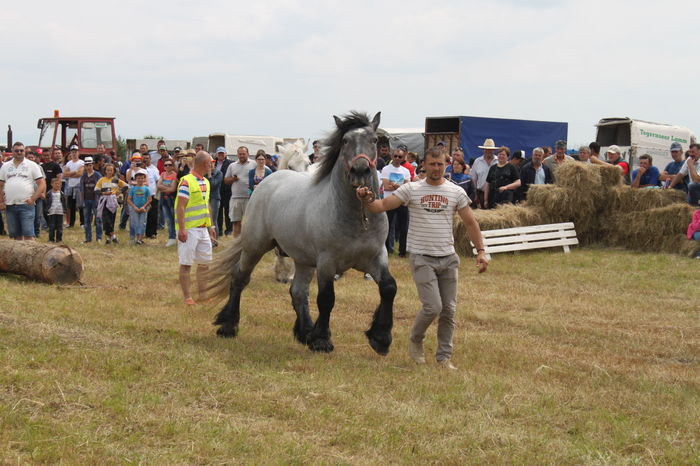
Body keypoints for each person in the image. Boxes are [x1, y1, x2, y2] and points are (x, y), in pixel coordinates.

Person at [356, 146, 489, 370]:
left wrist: (481, 251)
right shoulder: (411, 189)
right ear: (423, 165)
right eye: (432, 164)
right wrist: (366, 199)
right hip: (422, 257)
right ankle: (416, 339)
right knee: (433, 307)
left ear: (446, 165)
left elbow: (470, 223)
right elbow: (380, 206)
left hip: (448, 258)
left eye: (440, 164)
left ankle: (444, 357)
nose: (436, 169)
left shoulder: (456, 192)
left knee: (449, 310)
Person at [176, 151, 216, 305]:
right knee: (186, 263)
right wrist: (182, 228)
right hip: (190, 228)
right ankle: (187, 297)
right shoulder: (186, 181)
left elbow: (206, 205)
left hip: (202, 228)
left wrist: (210, 225)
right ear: (204, 164)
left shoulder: (206, 182)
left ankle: (203, 295)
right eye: (210, 162)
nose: (211, 165)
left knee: (204, 263)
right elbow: (180, 206)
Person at [0, 142, 46, 240]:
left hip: (26, 205)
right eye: (16, 151)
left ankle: (31, 255)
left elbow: (42, 183)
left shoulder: (32, 165)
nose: (19, 152)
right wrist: (1, 201)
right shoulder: (5, 166)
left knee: (28, 234)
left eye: (21, 150)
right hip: (10, 205)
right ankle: (19, 255)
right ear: (12, 152)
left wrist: (33, 199)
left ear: (24, 151)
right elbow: (1, 185)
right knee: (15, 235)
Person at [380, 148, 412, 256]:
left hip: (402, 201)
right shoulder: (386, 169)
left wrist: (395, 185)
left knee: (404, 227)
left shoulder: (406, 171)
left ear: (403, 158)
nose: (397, 158)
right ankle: (387, 250)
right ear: (392, 156)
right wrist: (400, 186)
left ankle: (402, 251)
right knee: (387, 226)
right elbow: (386, 187)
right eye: (395, 156)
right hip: (389, 201)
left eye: (400, 157)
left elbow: (407, 188)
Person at [224, 146, 256, 237]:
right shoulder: (232, 165)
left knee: (249, 222)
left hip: (249, 198)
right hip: (235, 198)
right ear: (237, 154)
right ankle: (236, 241)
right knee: (236, 222)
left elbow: (264, 171)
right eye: (240, 154)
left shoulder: (254, 164)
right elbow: (226, 180)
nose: (242, 155)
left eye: (243, 154)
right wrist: (233, 179)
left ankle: (249, 241)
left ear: (248, 154)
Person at [95, 163, 127, 245]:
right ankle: (113, 236)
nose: (109, 172)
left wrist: (119, 192)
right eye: (108, 170)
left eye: (111, 170)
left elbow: (126, 186)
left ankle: (108, 239)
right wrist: (103, 193)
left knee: (111, 220)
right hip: (104, 201)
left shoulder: (115, 180)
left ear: (113, 171)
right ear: (105, 171)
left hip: (113, 201)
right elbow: (96, 190)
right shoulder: (102, 180)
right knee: (106, 220)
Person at [76, 157, 103, 243]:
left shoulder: (98, 175)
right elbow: (81, 189)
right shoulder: (83, 176)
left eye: (90, 165)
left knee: (98, 219)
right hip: (86, 200)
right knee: (87, 220)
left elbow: (101, 187)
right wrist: (81, 201)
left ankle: (99, 237)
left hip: (96, 200)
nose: (88, 167)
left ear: (93, 165)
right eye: (86, 165)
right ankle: (88, 238)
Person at [157, 158, 178, 246]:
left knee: (175, 218)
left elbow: (173, 189)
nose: (167, 166)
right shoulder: (162, 174)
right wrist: (168, 187)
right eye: (166, 165)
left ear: (173, 166)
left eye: (169, 165)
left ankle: (178, 236)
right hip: (164, 200)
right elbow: (158, 185)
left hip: (172, 199)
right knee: (168, 219)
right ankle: (171, 237)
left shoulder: (175, 175)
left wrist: (163, 187)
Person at [471, 138, 498, 208]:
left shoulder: (498, 161)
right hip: (480, 194)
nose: (488, 151)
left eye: (490, 149)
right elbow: (474, 179)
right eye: (486, 149)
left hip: (495, 194)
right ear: (483, 150)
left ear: (493, 150)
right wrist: (475, 194)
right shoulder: (477, 161)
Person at [127, 170, 152, 245]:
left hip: (143, 209)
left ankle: (140, 239)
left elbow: (150, 199)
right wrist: (134, 207)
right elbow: (129, 199)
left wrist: (143, 207)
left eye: (142, 178)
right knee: (136, 223)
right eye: (138, 178)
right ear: (135, 179)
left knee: (142, 223)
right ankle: (136, 238)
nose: (140, 180)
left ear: (144, 179)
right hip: (135, 209)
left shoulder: (146, 188)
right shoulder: (133, 189)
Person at [63, 144, 85, 227]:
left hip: (79, 186)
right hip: (70, 186)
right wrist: (74, 172)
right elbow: (65, 174)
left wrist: (70, 174)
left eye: (75, 152)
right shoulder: (69, 163)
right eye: (72, 152)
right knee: (71, 206)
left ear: (78, 153)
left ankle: (82, 223)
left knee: (80, 205)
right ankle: (71, 223)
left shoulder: (81, 162)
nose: (74, 154)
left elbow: (80, 174)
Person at [213, 147, 233, 236]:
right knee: (218, 212)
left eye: (222, 153)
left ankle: (229, 230)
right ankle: (219, 230)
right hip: (217, 190)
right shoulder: (213, 163)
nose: (221, 155)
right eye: (219, 153)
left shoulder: (230, 163)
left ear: (225, 154)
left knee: (228, 211)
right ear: (216, 154)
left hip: (227, 191)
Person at [205, 153, 223, 243]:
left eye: (212, 162)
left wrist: (209, 175)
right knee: (206, 219)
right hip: (205, 198)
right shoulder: (203, 173)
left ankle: (215, 240)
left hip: (214, 198)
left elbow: (213, 185)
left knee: (213, 220)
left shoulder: (219, 173)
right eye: (208, 162)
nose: (210, 164)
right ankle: (208, 239)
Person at [142, 152, 160, 239]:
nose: (145, 160)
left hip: (152, 195)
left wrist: (158, 194)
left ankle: (152, 233)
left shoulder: (154, 169)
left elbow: (158, 181)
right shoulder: (139, 169)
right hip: (141, 196)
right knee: (143, 215)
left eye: (147, 158)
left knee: (153, 215)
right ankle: (142, 233)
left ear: (150, 159)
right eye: (144, 158)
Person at [45, 177, 66, 242]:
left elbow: (64, 203)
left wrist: (64, 210)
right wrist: (46, 210)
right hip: (52, 212)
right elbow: (46, 203)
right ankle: (51, 239)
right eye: (56, 183)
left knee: (60, 227)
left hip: (60, 212)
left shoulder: (62, 194)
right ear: (51, 184)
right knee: (52, 226)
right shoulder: (49, 193)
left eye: (59, 184)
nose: (57, 185)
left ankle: (59, 239)